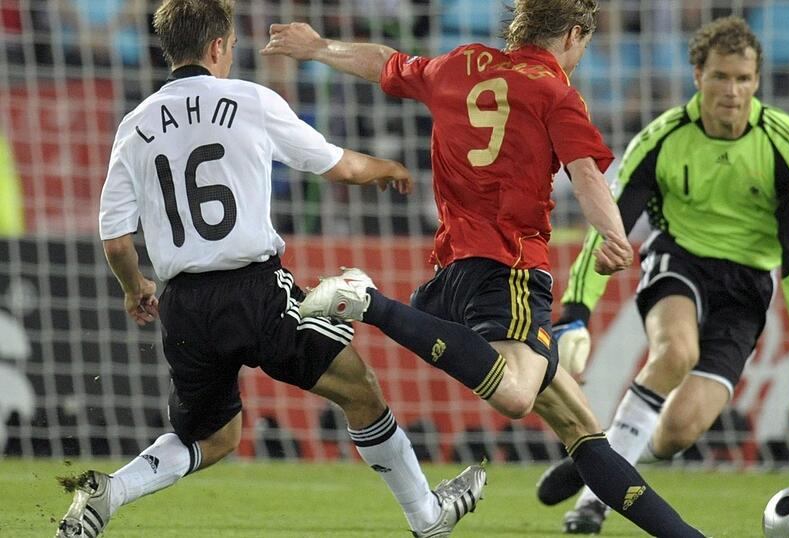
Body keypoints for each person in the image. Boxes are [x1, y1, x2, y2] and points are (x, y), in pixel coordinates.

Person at [261, 1, 704, 536]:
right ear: (572, 33)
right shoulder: (556, 91)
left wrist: (317, 48)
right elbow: (585, 174)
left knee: (582, 429)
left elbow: (386, 62)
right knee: (517, 395)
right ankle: (368, 300)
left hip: (453, 275)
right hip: (510, 270)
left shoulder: (459, 64)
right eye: (584, 44)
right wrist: (613, 234)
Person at [55, 1, 486, 537]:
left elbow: (115, 239)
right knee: (360, 388)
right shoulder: (250, 100)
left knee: (214, 437)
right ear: (217, 47)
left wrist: (134, 287)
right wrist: (388, 168)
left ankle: (108, 494)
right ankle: (428, 518)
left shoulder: (135, 125)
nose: (233, 55)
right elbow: (338, 164)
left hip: (184, 306)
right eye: (233, 46)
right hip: (255, 292)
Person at [534, 16, 789, 534]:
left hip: (746, 288)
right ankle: (594, 499)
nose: (732, 91)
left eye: (743, 79)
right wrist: (575, 313)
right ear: (697, 74)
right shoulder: (662, 139)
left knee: (679, 430)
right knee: (676, 352)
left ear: (758, 80)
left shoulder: (788, 148)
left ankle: (608, 456)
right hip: (679, 261)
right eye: (721, 76)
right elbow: (609, 227)